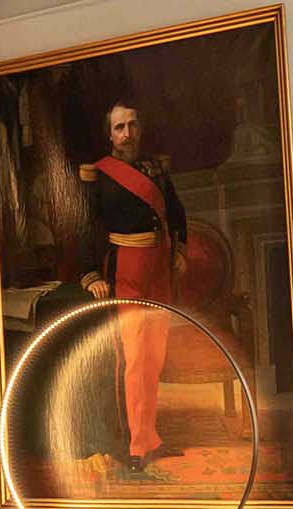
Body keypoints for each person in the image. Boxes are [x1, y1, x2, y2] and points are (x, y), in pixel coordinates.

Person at [77, 100, 187, 472]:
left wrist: (179, 249)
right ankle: (136, 444)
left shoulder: (156, 169)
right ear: (110, 135)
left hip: (158, 269)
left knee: (155, 356)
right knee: (136, 358)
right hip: (126, 268)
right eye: (120, 127)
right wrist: (91, 275)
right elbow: (86, 227)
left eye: (133, 125)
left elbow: (176, 212)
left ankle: (151, 438)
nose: (128, 133)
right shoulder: (98, 175)